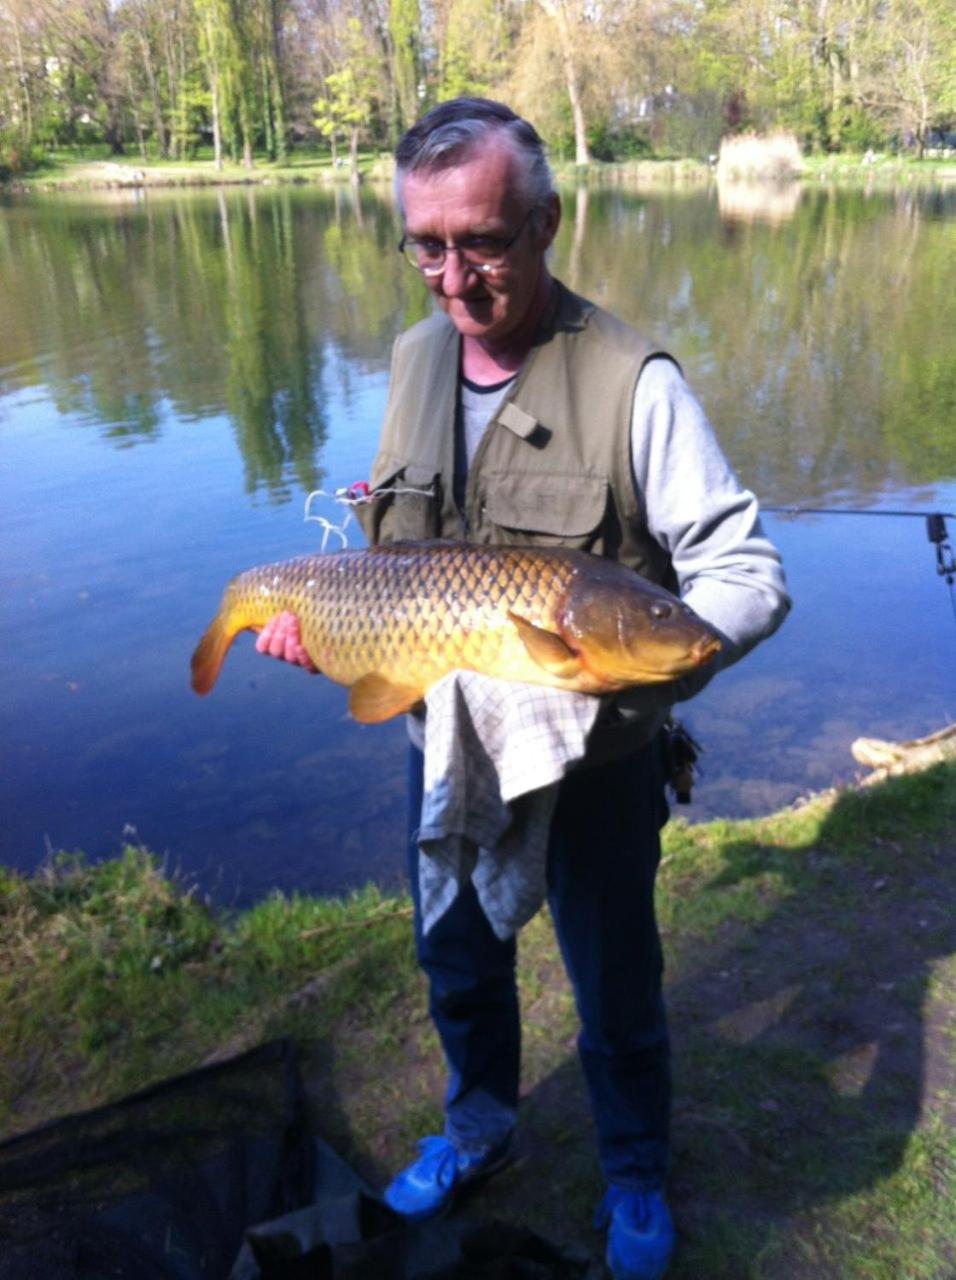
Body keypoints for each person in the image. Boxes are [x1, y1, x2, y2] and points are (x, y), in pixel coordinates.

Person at [256, 98, 790, 1280]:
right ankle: (476, 1127)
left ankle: (636, 1169)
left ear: (545, 221)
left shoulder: (632, 379)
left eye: (483, 242)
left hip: (594, 757)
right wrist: (332, 625)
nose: (453, 276)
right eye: (427, 245)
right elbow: (402, 550)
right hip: (444, 751)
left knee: (614, 981)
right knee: (453, 960)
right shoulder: (409, 357)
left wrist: (647, 672)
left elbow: (746, 572)